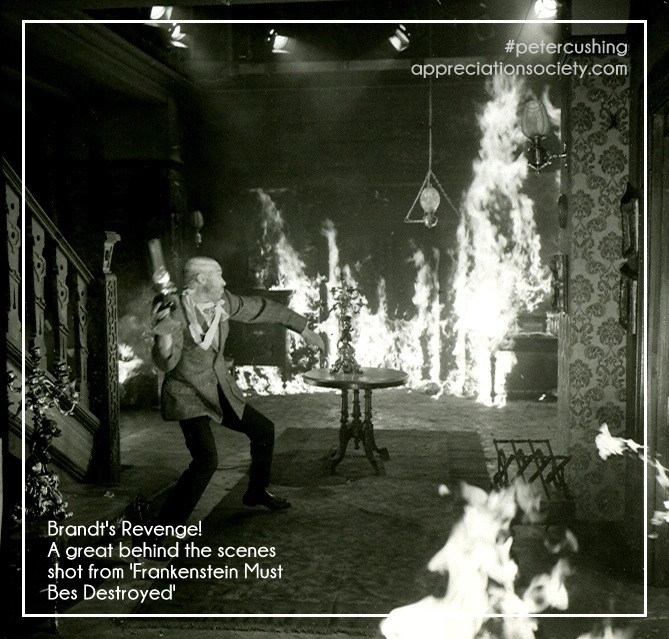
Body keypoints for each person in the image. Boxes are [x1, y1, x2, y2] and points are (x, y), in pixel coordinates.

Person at [150, 256, 325, 526]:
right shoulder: (176, 311)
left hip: (218, 386)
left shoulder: (223, 302)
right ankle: (158, 532)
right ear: (202, 279)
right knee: (206, 461)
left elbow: (262, 308)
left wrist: (304, 329)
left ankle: (256, 492)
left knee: (263, 430)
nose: (224, 281)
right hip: (187, 394)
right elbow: (167, 363)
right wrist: (163, 339)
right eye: (218, 275)